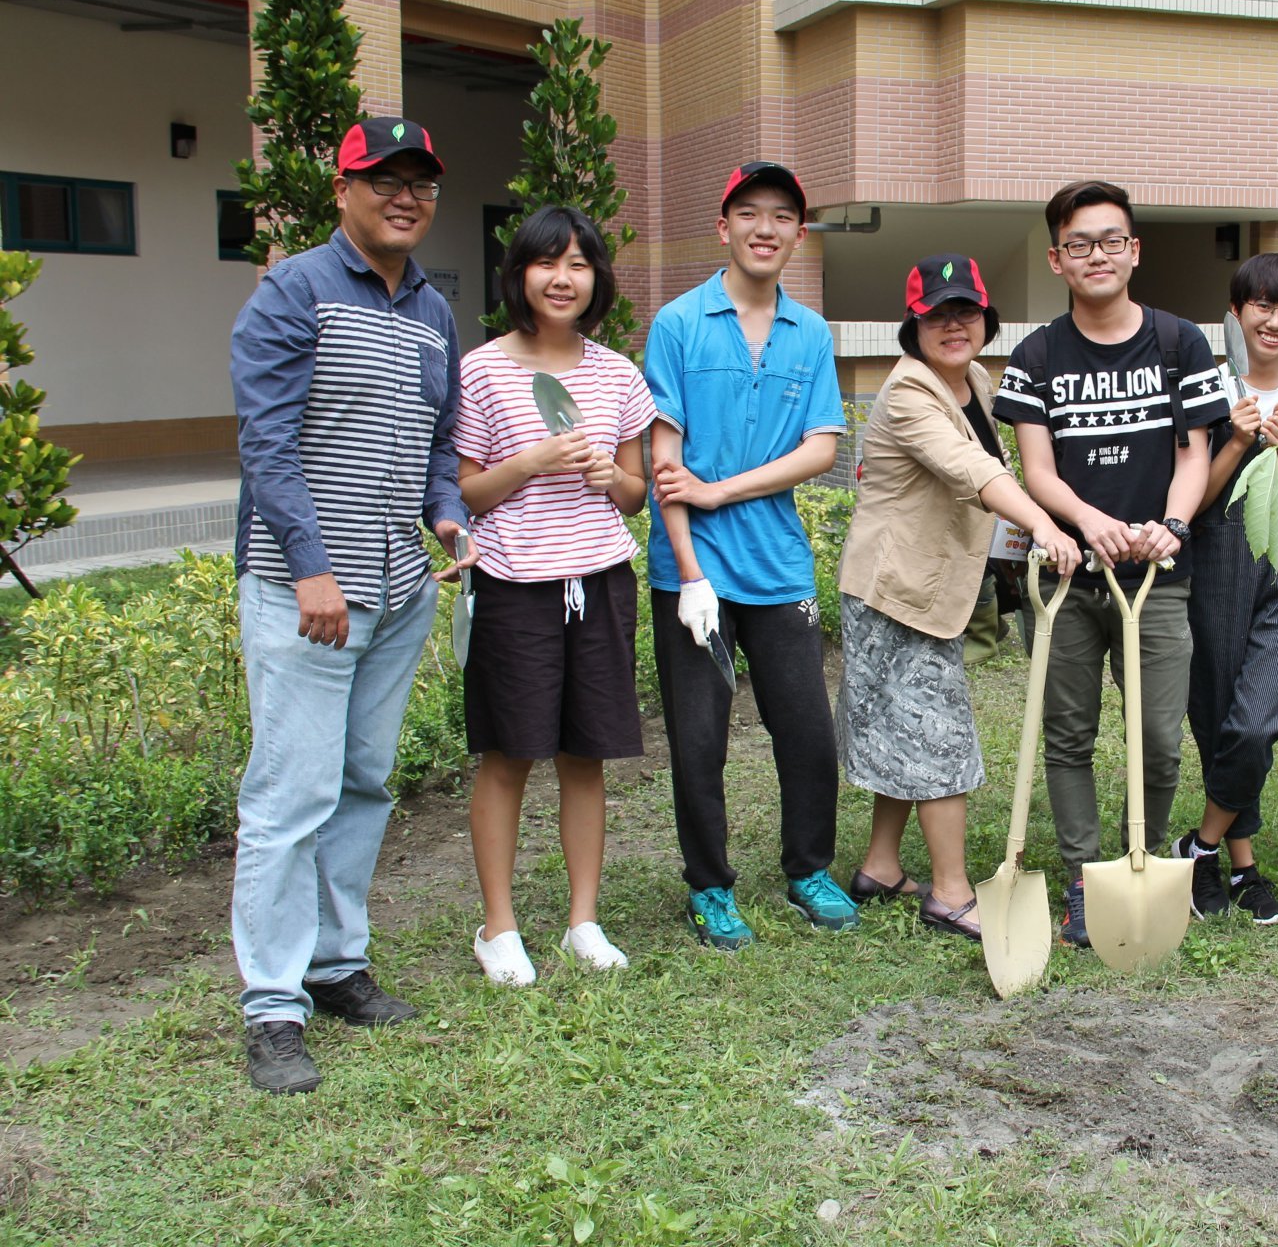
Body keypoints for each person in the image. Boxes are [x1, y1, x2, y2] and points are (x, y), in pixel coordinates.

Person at [229, 116, 478, 1093]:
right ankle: (273, 1006)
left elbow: (437, 443)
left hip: (397, 590)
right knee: (289, 795)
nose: (405, 195)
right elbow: (267, 442)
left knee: (365, 780)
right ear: (343, 191)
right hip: (308, 595)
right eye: (384, 178)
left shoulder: (432, 314)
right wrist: (309, 567)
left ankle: (336, 966)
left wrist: (450, 519)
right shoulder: (293, 293)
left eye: (420, 180)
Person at [993, 179, 1230, 947]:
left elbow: (1194, 456)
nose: (1096, 255)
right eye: (1079, 244)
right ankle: (1079, 878)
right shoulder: (1036, 357)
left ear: (1133, 251)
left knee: (1159, 736)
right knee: (1068, 735)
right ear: (1057, 259)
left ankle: (1145, 858)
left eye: (1110, 240)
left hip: (1157, 580)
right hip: (1066, 580)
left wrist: (1171, 524)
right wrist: (1091, 523)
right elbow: (1038, 470)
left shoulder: (1179, 342)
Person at [838, 255, 1080, 940]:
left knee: (903, 726)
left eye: (965, 312)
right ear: (912, 327)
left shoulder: (972, 379)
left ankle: (881, 865)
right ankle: (948, 893)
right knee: (937, 737)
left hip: (929, 586)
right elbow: (970, 468)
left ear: (985, 319)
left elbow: (994, 461)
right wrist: (1040, 521)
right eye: (936, 315)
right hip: (897, 593)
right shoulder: (911, 392)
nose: (953, 326)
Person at [645, 162, 854, 950]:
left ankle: (808, 868)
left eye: (782, 217)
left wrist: (721, 490)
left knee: (805, 728)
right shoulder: (678, 323)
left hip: (779, 568)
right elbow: (666, 463)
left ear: (799, 235)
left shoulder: (811, 332)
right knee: (698, 737)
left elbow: (820, 448)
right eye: (749, 213)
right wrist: (689, 573)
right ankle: (709, 886)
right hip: (693, 575)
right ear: (723, 226)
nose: (765, 228)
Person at [454, 206, 655, 985]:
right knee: (508, 757)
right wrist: (533, 460)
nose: (562, 277)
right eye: (546, 262)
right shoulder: (482, 369)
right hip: (514, 588)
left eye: (578, 263)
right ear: (520, 275)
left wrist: (615, 477)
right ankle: (498, 928)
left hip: (600, 582)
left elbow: (636, 495)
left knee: (585, 757)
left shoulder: (616, 374)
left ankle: (583, 921)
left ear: (597, 277)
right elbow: (467, 493)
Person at [1177, 253, 1278, 924]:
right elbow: (1192, 503)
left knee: (1259, 722)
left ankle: (1201, 845)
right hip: (1215, 565)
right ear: (1238, 310)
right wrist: (1235, 442)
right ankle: (1240, 869)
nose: (1274, 322)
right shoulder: (1209, 385)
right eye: (1261, 306)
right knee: (1219, 720)